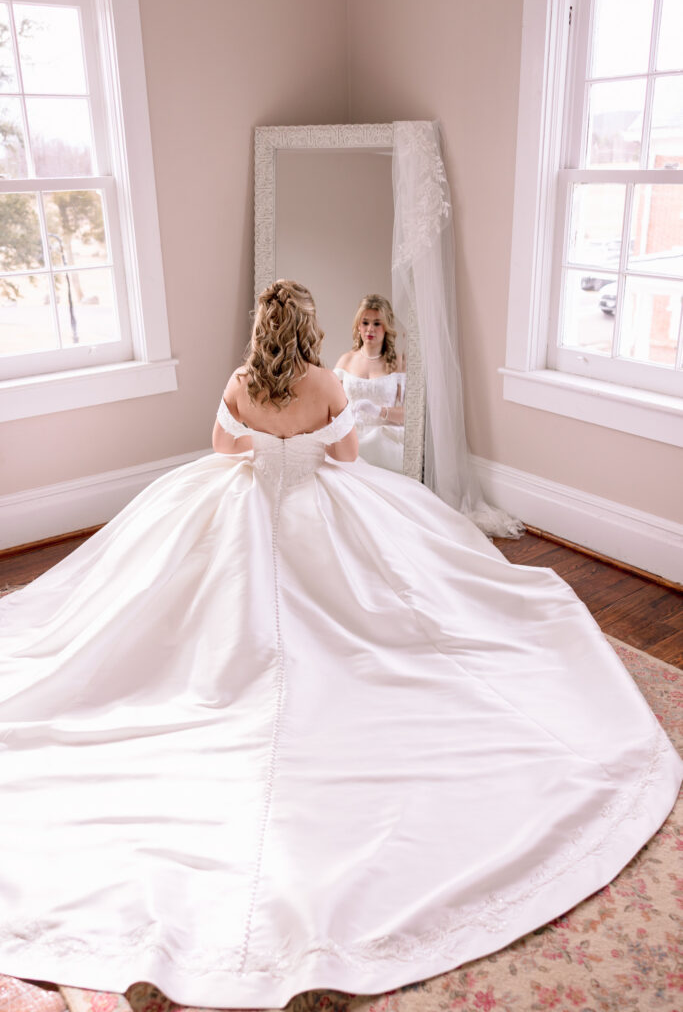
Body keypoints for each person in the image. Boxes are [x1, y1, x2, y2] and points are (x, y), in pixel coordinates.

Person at [0, 279, 680, 1012]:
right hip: (314, 507)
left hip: (243, 504)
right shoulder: (326, 382)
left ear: (262, 328)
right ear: (308, 328)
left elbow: (222, 447)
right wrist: (302, 447)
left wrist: (264, 446)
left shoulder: (239, 380)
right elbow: (349, 457)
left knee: (182, 602)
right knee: (393, 594)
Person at [334, 294, 406, 473]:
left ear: (386, 327)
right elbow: (330, 406)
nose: (370, 329)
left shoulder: (398, 363)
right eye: (365, 323)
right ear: (358, 326)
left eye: (377, 323)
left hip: (384, 442)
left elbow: (410, 416)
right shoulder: (346, 360)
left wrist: (380, 411)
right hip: (351, 441)